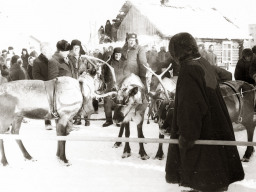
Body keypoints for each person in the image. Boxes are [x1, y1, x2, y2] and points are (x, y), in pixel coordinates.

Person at [165, 32, 244, 192]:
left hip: (204, 138)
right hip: (216, 131)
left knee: (205, 180)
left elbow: (191, 108)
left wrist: (187, 137)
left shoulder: (189, 70)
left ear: (176, 52)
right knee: (214, 180)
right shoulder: (202, 63)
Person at [68, 39, 92, 126]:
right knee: (76, 100)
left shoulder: (85, 58)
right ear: (71, 49)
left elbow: (91, 68)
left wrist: (87, 72)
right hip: (73, 82)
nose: (76, 50)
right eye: (74, 48)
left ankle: (87, 119)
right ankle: (77, 119)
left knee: (86, 99)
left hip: (84, 82)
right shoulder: (68, 58)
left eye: (77, 48)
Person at [32, 42, 54, 130]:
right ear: (41, 50)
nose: (46, 51)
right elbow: (35, 74)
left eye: (47, 49)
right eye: (44, 49)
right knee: (47, 105)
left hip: (53, 84)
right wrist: (45, 82)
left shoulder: (52, 59)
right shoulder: (37, 61)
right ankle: (47, 122)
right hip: (44, 86)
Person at [102, 47, 123, 127]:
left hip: (120, 86)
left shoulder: (124, 63)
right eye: (116, 54)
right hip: (110, 85)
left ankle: (118, 120)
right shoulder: (109, 62)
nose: (117, 56)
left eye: (119, 54)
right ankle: (108, 120)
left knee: (119, 102)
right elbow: (104, 73)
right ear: (114, 54)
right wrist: (105, 82)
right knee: (107, 102)